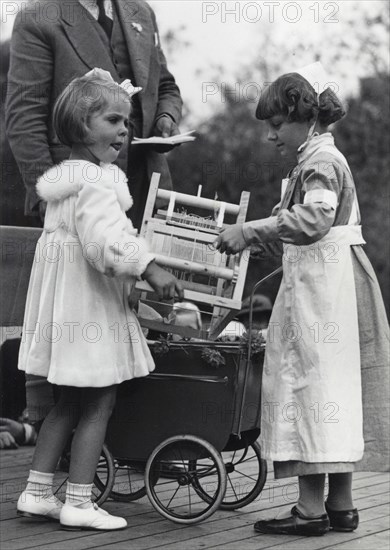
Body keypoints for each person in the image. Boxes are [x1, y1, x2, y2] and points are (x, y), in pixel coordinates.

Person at [216, 62, 389, 537]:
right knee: (333, 391)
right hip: (328, 287)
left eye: (276, 126)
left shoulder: (319, 162)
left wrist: (250, 229)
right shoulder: (313, 161)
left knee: (311, 390)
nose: (271, 136)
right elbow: (303, 227)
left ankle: (311, 511)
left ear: (303, 119)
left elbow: (314, 221)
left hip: (325, 293)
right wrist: (259, 236)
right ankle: (341, 505)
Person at [16, 69, 183, 531]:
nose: (125, 131)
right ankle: (79, 500)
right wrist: (148, 265)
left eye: (126, 123)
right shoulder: (96, 182)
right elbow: (107, 241)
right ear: (81, 124)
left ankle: (36, 491)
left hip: (67, 313)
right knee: (98, 404)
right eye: (114, 120)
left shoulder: (69, 179)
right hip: (87, 312)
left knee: (65, 405)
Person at [5, 0, 183, 230]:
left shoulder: (141, 11)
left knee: (144, 262)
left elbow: (166, 86)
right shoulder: (37, 18)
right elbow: (24, 117)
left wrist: (165, 117)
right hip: (80, 192)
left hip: (148, 187)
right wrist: (48, 194)